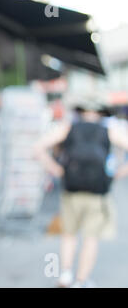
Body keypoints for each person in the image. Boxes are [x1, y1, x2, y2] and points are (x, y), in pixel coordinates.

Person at [34, 98, 128, 288]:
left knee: (69, 235)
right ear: (101, 114)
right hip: (97, 192)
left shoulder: (68, 128)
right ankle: (81, 281)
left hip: (71, 189)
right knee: (90, 238)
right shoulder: (108, 131)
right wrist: (117, 174)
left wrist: (57, 170)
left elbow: (38, 148)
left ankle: (66, 275)